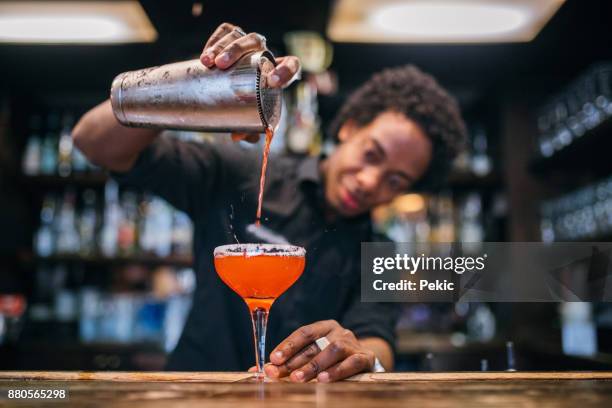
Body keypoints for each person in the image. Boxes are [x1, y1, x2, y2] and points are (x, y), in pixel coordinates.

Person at [73, 22, 466, 382]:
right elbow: (93, 142)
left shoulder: (379, 250)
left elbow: (376, 342)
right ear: (349, 127)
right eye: (372, 154)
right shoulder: (239, 172)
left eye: (395, 180)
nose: (369, 181)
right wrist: (194, 82)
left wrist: (358, 353)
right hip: (196, 394)